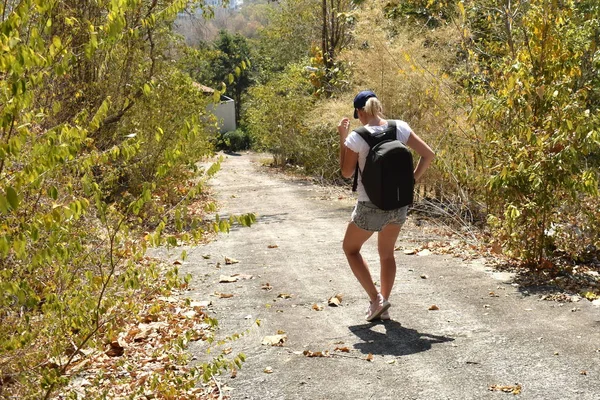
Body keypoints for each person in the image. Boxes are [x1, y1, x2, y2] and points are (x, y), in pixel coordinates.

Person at [338, 90, 435, 321]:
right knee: (387, 254)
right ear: (378, 107)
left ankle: (376, 300)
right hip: (398, 204)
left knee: (350, 249)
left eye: (357, 114)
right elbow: (428, 155)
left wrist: (342, 138)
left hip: (370, 205)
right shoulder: (399, 127)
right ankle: (384, 307)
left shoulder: (356, 136)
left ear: (361, 111)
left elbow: (346, 172)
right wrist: (411, 180)